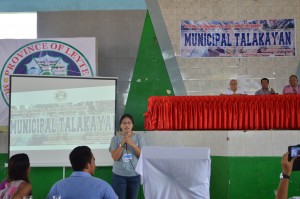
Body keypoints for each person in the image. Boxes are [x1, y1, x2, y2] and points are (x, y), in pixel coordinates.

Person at [47, 146, 117, 199]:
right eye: (93, 161)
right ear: (87, 165)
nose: (95, 165)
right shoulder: (103, 186)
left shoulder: (57, 186)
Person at [109, 114, 145, 199]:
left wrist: (132, 144)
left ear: (132, 125)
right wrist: (122, 144)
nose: (127, 125)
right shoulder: (115, 139)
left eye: (129, 123)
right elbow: (115, 157)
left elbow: (142, 156)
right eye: (124, 123)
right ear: (120, 125)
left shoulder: (139, 138)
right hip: (118, 176)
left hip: (134, 176)